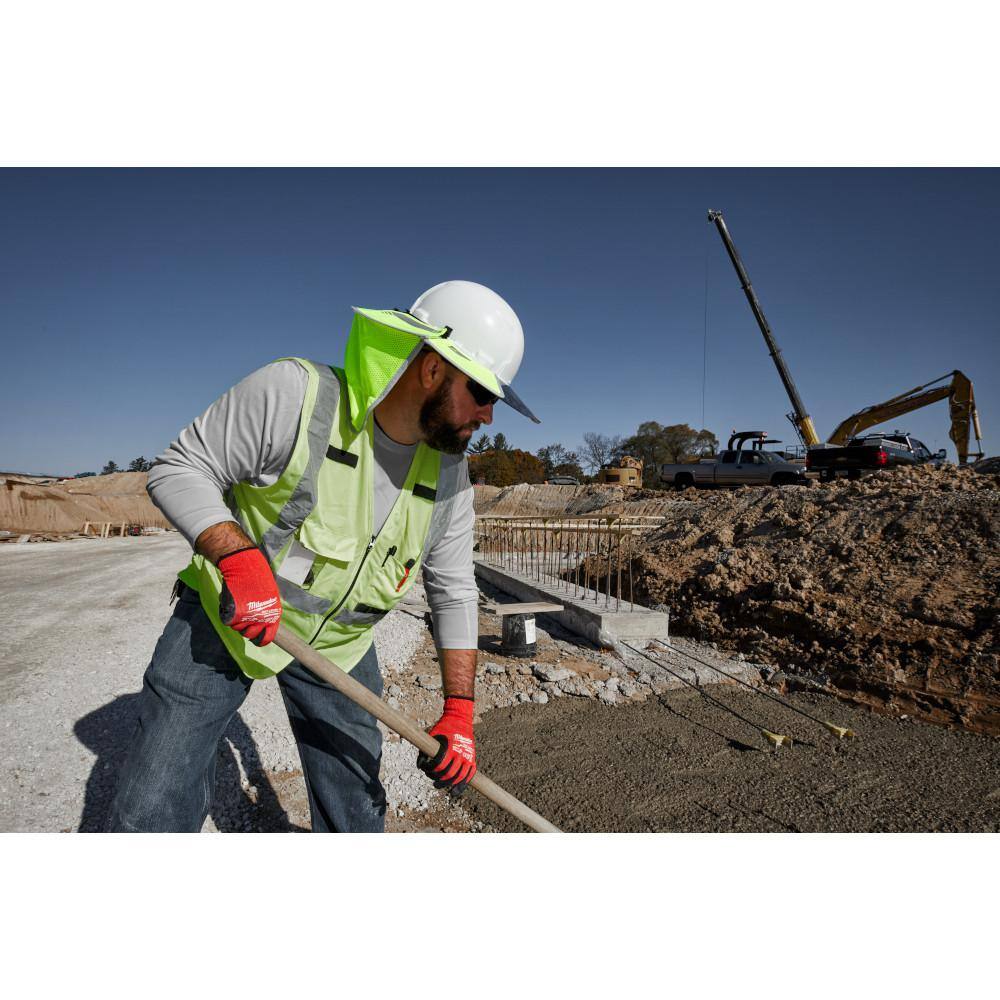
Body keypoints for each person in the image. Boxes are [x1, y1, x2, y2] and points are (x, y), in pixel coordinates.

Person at [106, 280, 539, 832]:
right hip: (226, 619)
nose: (489, 417)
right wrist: (237, 557)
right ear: (432, 369)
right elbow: (181, 468)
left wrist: (460, 712)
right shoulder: (297, 396)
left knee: (356, 805)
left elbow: (452, 589)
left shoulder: (451, 477)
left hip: (339, 645)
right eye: (482, 395)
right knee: (153, 804)